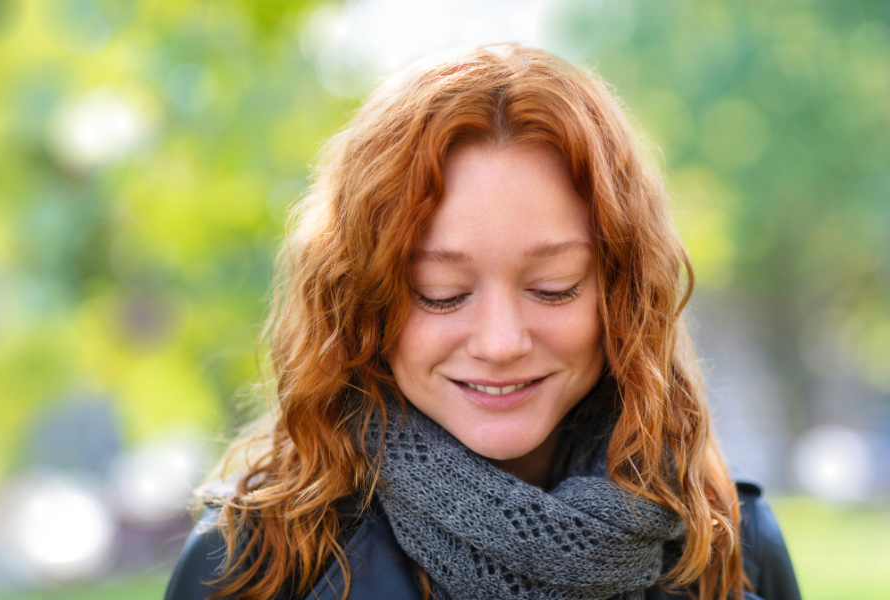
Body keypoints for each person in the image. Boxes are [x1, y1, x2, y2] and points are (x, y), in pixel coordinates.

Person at [165, 45, 801, 600]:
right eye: (440, 294)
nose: (501, 344)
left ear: (624, 292)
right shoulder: (251, 564)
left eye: (554, 289)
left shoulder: (731, 546)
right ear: (360, 301)